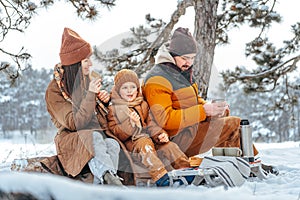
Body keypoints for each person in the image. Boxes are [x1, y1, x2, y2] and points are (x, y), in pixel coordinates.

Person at [142, 27, 277, 174]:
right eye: (185, 58)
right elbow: (164, 120)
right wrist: (203, 111)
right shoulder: (158, 79)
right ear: (172, 55)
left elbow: (190, 100)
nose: (189, 62)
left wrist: (209, 107)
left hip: (187, 130)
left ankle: (240, 164)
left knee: (228, 120)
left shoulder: (179, 72)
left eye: (192, 58)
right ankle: (245, 165)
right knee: (233, 124)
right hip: (172, 140)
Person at [45, 27, 124, 186]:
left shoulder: (87, 81)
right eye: (86, 60)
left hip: (96, 137)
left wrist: (104, 101)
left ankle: (104, 184)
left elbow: (96, 120)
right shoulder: (54, 91)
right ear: (75, 63)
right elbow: (75, 123)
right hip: (71, 140)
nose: (91, 64)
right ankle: (111, 182)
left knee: (113, 144)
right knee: (92, 137)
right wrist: (91, 95)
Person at [107, 69, 192, 186]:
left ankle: (186, 171)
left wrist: (159, 135)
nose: (129, 91)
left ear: (137, 89)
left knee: (169, 146)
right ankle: (160, 176)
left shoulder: (143, 104)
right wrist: (130, 124)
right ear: (118, 90)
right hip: (134, 144)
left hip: (151, 139)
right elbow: (116, 132)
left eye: (132, 87)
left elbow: (152, 124)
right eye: (124, 88)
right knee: (144, 144)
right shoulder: (114, 109)